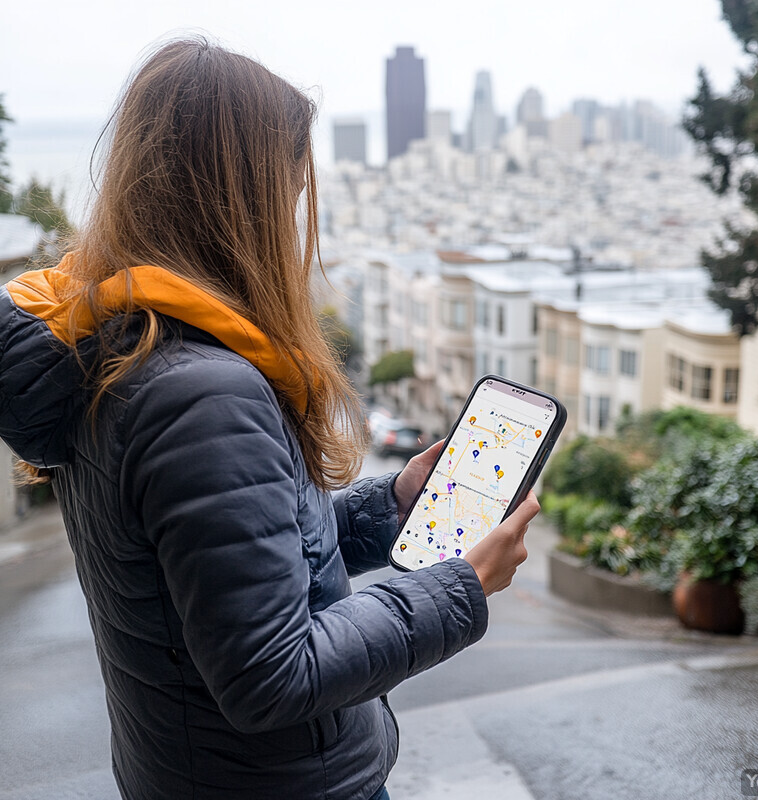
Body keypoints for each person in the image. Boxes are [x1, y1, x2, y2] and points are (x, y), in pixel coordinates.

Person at [0, 38, 540, 800]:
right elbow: (272, 674)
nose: (293, 221)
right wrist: (462, 586)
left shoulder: (115, 347)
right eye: (289, 191)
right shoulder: (200, 394)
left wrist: (390, 508)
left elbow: (230, 567)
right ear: (242, 202)